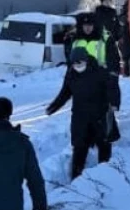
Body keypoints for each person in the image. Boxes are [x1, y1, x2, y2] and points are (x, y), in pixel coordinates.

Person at [46, 46, 117, 179]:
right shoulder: (71, 74)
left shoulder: (99, 71)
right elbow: (65, 93)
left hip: (100, 116)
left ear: (86, 61)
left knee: (104, 146)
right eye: (74, 64)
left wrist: (114, 104)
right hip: (81, 118)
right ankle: (76, 178)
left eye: (80, 63)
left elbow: (111, 88)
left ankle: (106, 176)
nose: (77, 66)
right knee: (79, 148)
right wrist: (53, 107)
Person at [69, 11, 121, 144]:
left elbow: (114, 60)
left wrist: (112, 80)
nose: (87, 28)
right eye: (85, 25)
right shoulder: (76, 39)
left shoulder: (105, 38)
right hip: (83, 81)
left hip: (101, 81)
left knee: (103, 111)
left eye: (90, 25)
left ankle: (107, 137)